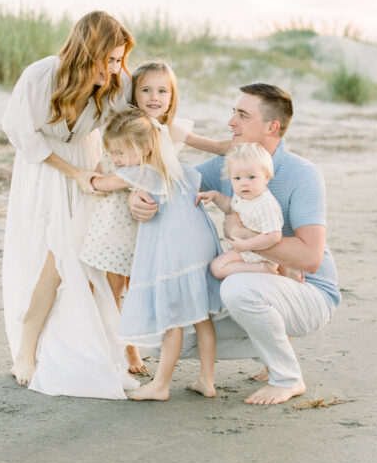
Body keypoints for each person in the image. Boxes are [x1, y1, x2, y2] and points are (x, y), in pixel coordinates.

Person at [130, 83, 340, 405]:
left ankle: (288, 378)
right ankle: (272, 340)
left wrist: (243, 237)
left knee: (237, 289)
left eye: (242, 115)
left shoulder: (303, 174)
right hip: (260, 283)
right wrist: (137, 195)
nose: (231, 123)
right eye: (233, 113)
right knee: (164, 337)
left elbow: (310, 258)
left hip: (309, 294)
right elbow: (175, 184)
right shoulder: (229, 166)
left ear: (271, 127)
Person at [1, 10, 139, 399]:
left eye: (118, 60)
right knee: (51, 255)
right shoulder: (41, 75)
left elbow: (131, 130)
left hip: (89, 165)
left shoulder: (117, 82)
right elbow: (23, 136)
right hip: (43, 169)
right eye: (108, 59)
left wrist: (101, 174)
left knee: (74, 258)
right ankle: (26, 351)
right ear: (86, 51)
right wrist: (74, 174)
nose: (114, 69)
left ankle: (84, 341)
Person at [79, 60, 224, 375]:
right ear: (135, 93)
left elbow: (216, 147)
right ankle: (119, 350)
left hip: (158, 221)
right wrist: (107, 184)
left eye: (162, 90)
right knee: (113, 285)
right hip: (120, 216)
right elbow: (118, 167)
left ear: (172, 96)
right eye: (146, 90)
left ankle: (132, 347)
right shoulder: (128, 124)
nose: (154, 97)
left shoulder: (172, 128)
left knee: (138, 282)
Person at [196, 142, 288, 278]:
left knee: (217, 268)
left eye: (251, 177)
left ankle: (263, 269)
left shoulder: (265, 205)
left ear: (266, 177)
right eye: (237, 178)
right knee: (215, 265)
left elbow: (274, 236)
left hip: (259, 254)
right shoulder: (244, 196)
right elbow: (230, 206)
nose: (243, 182)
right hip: (246, 249)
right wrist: (215, 196)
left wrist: (245, 245)